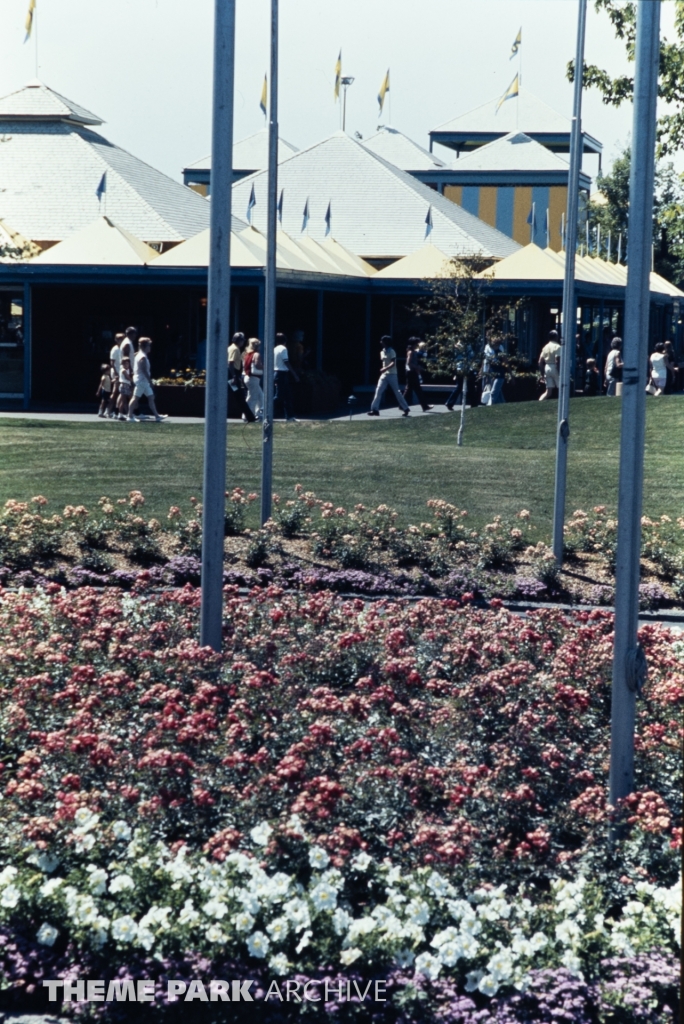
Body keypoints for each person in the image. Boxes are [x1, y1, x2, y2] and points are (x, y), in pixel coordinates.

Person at [367, 336, 411, 417]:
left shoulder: (392, 351)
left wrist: (385, 368)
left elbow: (393, 363)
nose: (381, 342)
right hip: (384, 375)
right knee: (378, 391)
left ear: (386, 342)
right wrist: (384, 370)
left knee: (397, 392)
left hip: (392, 374)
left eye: (382, 341)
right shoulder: (382, 352)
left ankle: (406, 408)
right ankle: (374, 409)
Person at [127, 337, 167, 422]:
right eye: (149, 346)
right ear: (145, 346)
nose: (150, 347)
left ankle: (157, 416)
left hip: (143, 381)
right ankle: (129, 416)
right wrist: (150, 381)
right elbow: (144, 371)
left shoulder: (140, 355)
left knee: (151, 397)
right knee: (135, 398)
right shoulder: (142, 357)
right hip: (142, 381)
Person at [227, 332, 256, 422]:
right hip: (232, 374)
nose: (243, 342)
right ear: (238, 341)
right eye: (242, 340)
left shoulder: (231, 347)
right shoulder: (235, 349)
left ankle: (250, 416)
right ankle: (250, 417)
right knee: (239, 396)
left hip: (232, 374)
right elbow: (231, 363)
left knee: (238, 396)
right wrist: (234, 376)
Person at [274, 333, 299, 421]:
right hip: (282, 373)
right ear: (285, 341)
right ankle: (263, 409)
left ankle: (290, 416)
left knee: (287, 396)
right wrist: (294, 374)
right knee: (279, 396)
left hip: (276, 372)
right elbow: (286, 362)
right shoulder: (284, 349)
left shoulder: (275, 349)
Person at [403, 337, 433, 411]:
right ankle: (424, 406)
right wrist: (417, 367)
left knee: (412, 389)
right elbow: (409, 363)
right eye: (417, 343)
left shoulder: (414, 351)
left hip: (412, 371)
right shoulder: (410, 352)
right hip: (411, 372)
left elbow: (414, 360)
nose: (418, 345)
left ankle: (424, 406)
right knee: (414, 389)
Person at [243, 337, 263, 419]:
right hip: (254, 378)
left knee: (260, 396)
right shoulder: (256, 354)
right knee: (253, 397)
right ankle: (248, 415)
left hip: (247, 377)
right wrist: (265, 367)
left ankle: (259, 413)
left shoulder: (247, 354)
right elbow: (258, 365)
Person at [481, 340, 506, 405]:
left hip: (500, 375)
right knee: (499, 393)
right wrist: (487, 376)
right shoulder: (491, 356)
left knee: (493, 392)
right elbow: (488, 364)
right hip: (493, 375)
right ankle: (503, 404)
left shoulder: (500, 353)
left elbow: (505, 362)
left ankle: (489, 406)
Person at [538, 330, 561, 400]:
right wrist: (560, 371)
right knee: (562, 388)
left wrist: (542, 374)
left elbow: (540, 361)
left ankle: (539, 403)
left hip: (547, 367)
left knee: (548, 392)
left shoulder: (545, 347)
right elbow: (557, 360)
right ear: (556, 337)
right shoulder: (558, 346)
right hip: (555, 367)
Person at [107, 333, 123, 418]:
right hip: (116, 372)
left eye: (122, 338)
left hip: (121, 372)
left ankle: (115, 410)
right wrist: (116, 373)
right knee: (115, 391)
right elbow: (112, 363)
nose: (121, 340)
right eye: (119, 338)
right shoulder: (115, 349)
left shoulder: (123, 348)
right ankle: (109, 410)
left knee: (119, 392)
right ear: (116, 340)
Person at [117, 355, 133, 420]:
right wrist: (132, 380)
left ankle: (128, 413)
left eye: (128, 363)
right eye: (125, 363)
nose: (127, 365)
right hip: (124, 385)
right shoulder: (123, 370)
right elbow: (127, 377)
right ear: (122, 364)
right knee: (123, 401)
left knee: (127, 400)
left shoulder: (127, 370)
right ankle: (120, 414)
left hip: (127, 385)